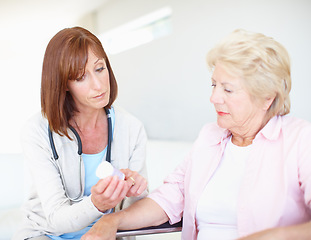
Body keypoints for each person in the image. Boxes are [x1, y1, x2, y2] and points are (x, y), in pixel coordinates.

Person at [81, 29, 311, 240]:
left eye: (228, 89)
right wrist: (112, 220)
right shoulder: (210, 137)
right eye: (214, 85)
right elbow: (167, 199)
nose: (214, 98)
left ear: (267, 97)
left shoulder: (299, 140)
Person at [13, 26, 148, 240]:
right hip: (46, 233)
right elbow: (57, 218)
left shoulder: (132, 128)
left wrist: (136, 190)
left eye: (99, 68)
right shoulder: (36, 131)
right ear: (63, 84)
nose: (97, 85)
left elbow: (135, 212)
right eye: (80, 77)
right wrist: (97, 204)